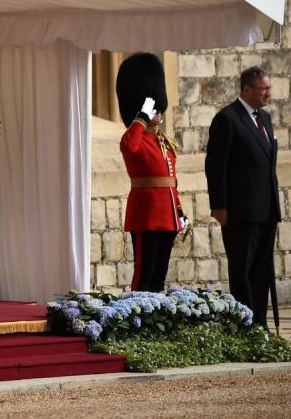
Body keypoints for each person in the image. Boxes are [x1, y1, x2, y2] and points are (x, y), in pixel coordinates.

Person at [205, 66, 281, 328]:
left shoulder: (265, 119)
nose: (268, 94)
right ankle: (245, 324)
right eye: (264, 89)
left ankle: (259, 323)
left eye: (269, 88)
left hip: (266, 208)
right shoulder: (227, 119)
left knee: (261, 270)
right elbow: (216, 165)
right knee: (243, 269)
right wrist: (219, 205)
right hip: (240, 210)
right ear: (247, 89)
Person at [116, 53, 189, 292]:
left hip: (166, 217)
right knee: (143, 277)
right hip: (146, 216)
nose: (159, 112)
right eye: (154, 109)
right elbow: (129, 145)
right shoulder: (135, 137)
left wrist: (179, 213)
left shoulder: (163, 142)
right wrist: (142, 115)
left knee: (159, 277)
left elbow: (170, 183)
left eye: (158, 108)